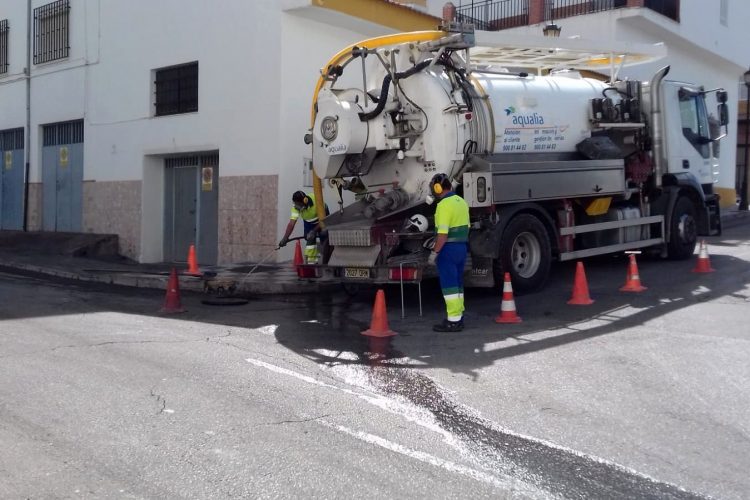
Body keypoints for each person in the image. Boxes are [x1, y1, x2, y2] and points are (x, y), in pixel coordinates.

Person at [429, 173, 469, 332]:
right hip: (461, 247)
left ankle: (453, 321)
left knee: (449, 286)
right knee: (458, 285)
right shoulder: (462, 202)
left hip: (448, 250)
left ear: (437, 188)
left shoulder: (443, 205)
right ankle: (459, 317)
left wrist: (434, 252)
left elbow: (443, 234)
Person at [278, 190, 329, 263]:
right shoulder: (296, 207)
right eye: (295, 204)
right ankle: (312, 263)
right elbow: (291, 224)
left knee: (324, 238)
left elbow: (323, 219)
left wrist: (314, 231)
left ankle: (326, 264)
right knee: (309, 239)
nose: (297, 206)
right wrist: (285, 238)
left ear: (305, 201)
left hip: (323, 220)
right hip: (309, 222)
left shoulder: (317, 200)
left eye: (298, 204)